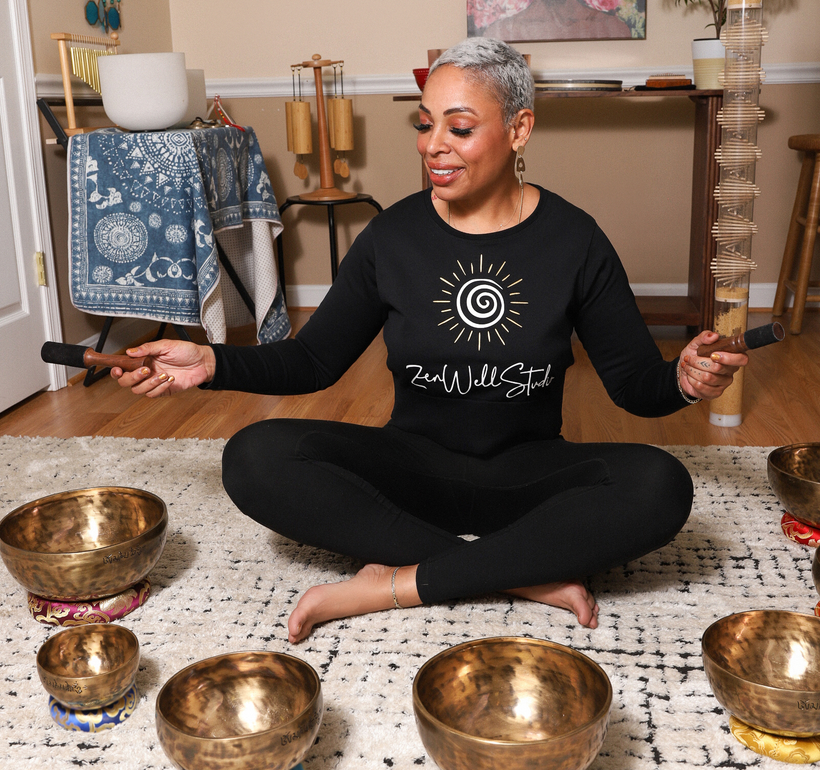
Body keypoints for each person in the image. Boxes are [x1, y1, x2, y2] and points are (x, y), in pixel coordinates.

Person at [112, 38, 747, 644]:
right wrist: (211, 361)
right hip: (412, 468)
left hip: (527, 475)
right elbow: (313, 360)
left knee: (661, 485)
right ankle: (520, 573)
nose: (434, 147)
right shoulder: (393, 237)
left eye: (459, 128)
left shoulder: (575, 240)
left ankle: (396, 581)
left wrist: (685, 380)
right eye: (425, 125)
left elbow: (637, 387)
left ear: (520, 129)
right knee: (254, 457)